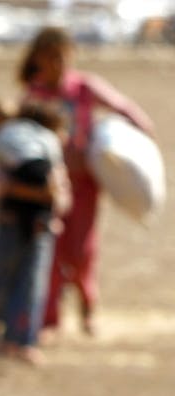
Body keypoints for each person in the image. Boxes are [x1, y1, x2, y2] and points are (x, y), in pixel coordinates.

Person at [19, 26, 155, 339]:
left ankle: (87, 304)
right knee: (51, 249)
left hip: (84, 183)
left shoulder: (83, 87)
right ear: (39, 58)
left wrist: (143, 138)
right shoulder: (34, 94)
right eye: (51, 57)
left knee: (82, 250)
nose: (57, 63)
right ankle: (50, 317)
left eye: (62, 57)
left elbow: (123, 107)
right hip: (49, 187)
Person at [0, 101, 70, 365]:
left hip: (34, 226)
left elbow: (54, 195)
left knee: (26, 282)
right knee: (16, 280)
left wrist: (16, 191)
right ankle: (10, 335)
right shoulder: (44, 150)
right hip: (20, 223)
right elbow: (50, 194)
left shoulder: (11, 152)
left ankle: (22, 338)